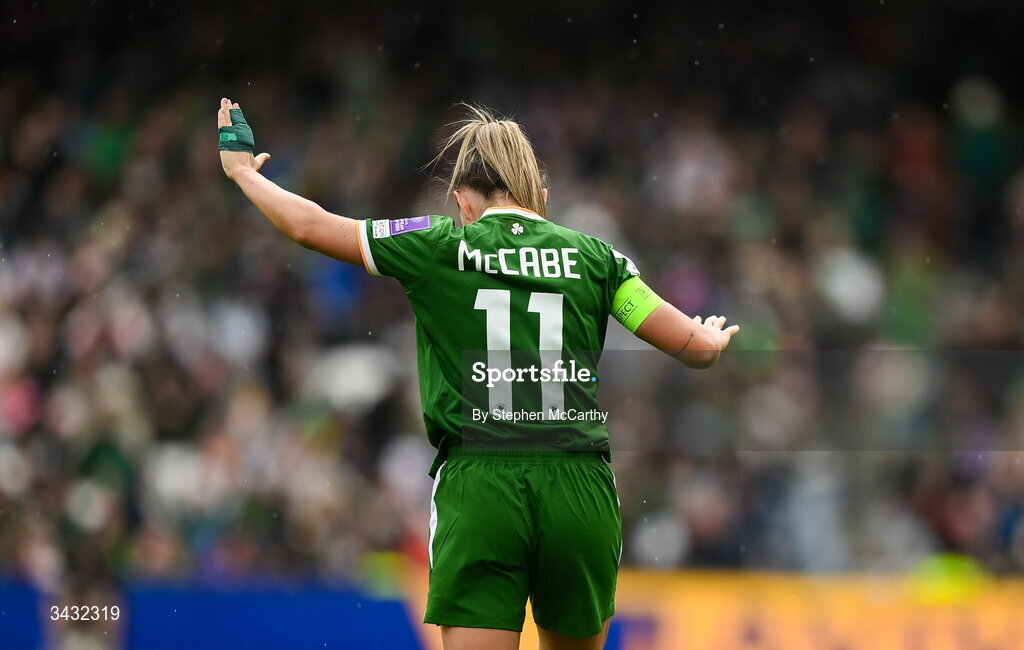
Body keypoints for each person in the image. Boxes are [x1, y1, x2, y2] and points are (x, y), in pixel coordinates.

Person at [218, 98, 739, 650]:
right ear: (541, 196)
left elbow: (308, 227)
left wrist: (244, 174)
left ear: (464, 201)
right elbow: (694, 348)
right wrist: (710, 334)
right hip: (577, 484)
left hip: (480, 483)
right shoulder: (597, 259)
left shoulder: (436, 243)